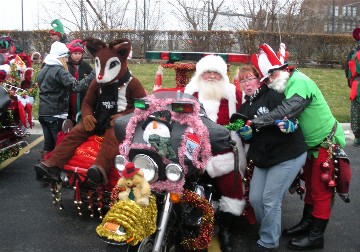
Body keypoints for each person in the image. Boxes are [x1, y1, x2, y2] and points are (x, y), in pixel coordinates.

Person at [251, 43, 348, 250]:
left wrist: (256, 122)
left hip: (325, 142)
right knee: (312, 188)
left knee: (321, 191)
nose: (268, 83)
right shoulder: (289, 82)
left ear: (281, 70)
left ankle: (316, 235)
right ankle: (307, 225)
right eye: (266, 79)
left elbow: (286, 110)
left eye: (270, 77)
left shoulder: (299, 82)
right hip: (311, 145)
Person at [34, 37, 146, 186]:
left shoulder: (132, 83)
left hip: (117, 125)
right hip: (97, 120)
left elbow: (142, 106)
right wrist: (86, 115)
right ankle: (52, 165)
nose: (101, 74)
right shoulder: (96, 83)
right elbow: (87, 101)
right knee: (75, 132)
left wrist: (124, 116)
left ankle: (99, 169)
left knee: (111, 138)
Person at [236, 54, 307, 251]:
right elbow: (247, 135)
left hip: (288, 153)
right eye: (242, 80)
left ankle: (268, 240)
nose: (247, 83)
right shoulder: (243, 108)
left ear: (259, 78)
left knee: (270, 200)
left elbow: (294, 113)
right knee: (256, 199)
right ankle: (267, 229)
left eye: (250, 78)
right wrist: (246, 134)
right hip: (264, 158)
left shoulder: (274, 94)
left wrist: (291, 124)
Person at [184, 54, 247, 252]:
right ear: (200, 74)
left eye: (216, 73)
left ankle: (226, 228)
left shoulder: (233, 93)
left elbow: (244, 117)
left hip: (225, 148)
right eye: (207, 72)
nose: (211, 76)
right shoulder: (190, 92)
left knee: (232, 185)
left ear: (223, 75)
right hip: (194, 148)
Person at [37, 41, 95, 160]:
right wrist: (93, 74)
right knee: (60, 144)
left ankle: (44, 165)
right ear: (60, 57)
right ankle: (56, 169)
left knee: (48, 144)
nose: (67, 59)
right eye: (65, 57)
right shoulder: (59, 71)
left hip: (43, 112)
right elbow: (77, 87)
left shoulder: (43, 69)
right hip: (56, 113)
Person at [66, 39, 93, 123]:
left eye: (80, 53)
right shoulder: (66, 66)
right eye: (75, 53)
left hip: (82, 96)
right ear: (70, 54)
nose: (78, 56)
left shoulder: (86, 66)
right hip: (69, 97)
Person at [345, 27, 360, 147]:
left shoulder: (353, 54)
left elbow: (348, 72)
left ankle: (358, 136)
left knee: (356, 111)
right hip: (356, 85)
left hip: (356, 85)